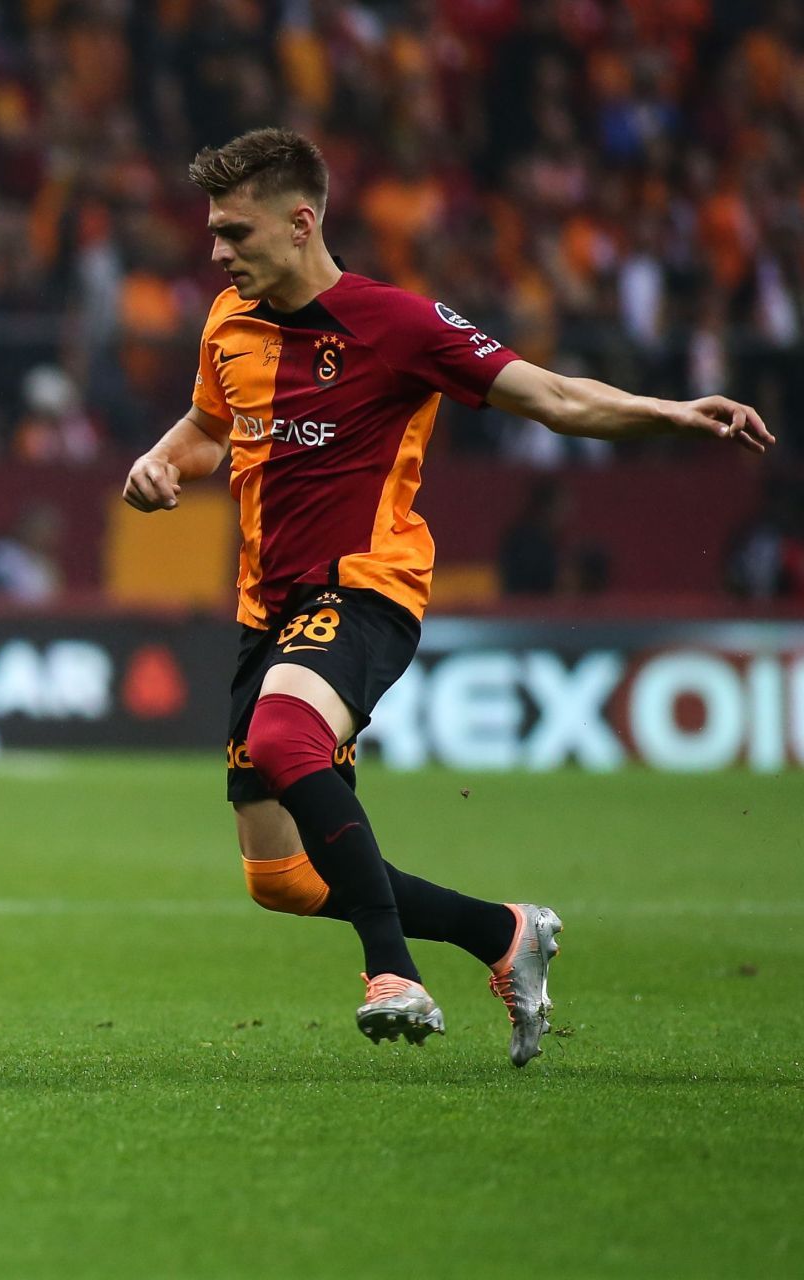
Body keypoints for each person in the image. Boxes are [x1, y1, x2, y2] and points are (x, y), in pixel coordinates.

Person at [122, 129, 772, 1064]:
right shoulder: (229, 322)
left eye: (235, 231)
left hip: (366, 584)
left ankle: (393, 973)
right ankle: (503, 933)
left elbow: (549, 396)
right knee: (282, 877)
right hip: (265, 610)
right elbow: (206, 427)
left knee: (280, 736)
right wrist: (160, 459)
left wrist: (669, 412)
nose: (218, 252)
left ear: (301, 222)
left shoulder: (401, 326)